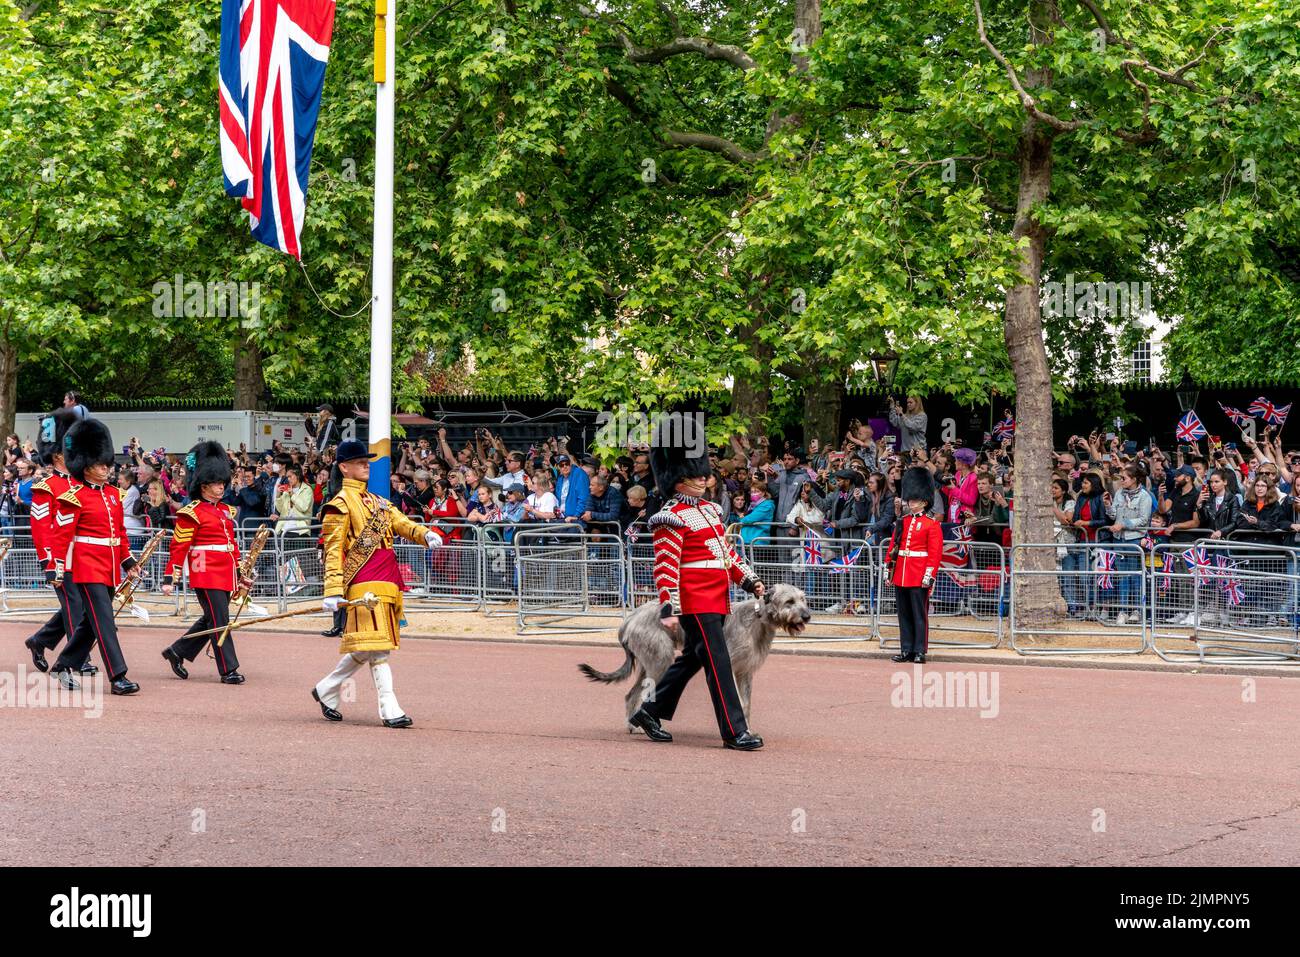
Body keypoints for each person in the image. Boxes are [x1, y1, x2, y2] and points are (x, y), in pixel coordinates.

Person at [626, 428, 766, 751]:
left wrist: (749, 579)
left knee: (692, 659)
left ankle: (648, 711)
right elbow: (666, 568)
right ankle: (734, 730)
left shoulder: (711, 511)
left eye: (704, 474)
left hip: (717, 597)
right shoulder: (669, 518)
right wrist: (668, 608)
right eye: (694, 474)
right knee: (719, 662)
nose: (703, 479)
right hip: (694, 600)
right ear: (677, 477)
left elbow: (726, 555)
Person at [311, 441, 443, 728]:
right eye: (360, 462)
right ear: (344, 467)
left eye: (366, 462)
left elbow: (402, 522)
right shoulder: (339, 505)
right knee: (380, 649)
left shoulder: (379, 502)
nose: (366, 465)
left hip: (388, 581)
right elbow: (333, 551)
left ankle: (326, 689)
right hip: (363, 584)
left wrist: (424, 534)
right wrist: (333, 590)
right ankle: (389, 707)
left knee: (368, 647)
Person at [46, 418, 142, 695]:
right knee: (105, 620)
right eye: (101, 464)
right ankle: (118, 676)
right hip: (86, 565)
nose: (107, 468)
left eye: (107, 463)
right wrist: (56, 567)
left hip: (110, 564)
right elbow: (61, 536)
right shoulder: (73, 496)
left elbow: (119, 532)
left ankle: (63, 665)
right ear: (86, 466)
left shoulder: (113, 495)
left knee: (91, 622)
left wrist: (128, 561)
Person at [159, 442, 252, 684]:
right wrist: (171, 578)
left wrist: (241, 573)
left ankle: (178, 651)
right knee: (220, 620)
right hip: (205, 570)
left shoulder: (224, 511)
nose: (222, 486)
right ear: (203, 485)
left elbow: (232, 545)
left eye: (223, 482)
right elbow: (179, 547)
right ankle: (228, 669)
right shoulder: (192, 512)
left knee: (212, 617)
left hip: (225, 571)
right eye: (216, 483)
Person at [22, 409, 97, 677]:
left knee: (83, 606)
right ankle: (80, 657)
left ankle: (40, 641)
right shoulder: (46, 487)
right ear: (57, 455)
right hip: (60, 557)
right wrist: (49, 561)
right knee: (74, 605)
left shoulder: (82, 484)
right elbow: (41, 528)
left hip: (83, 556)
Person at [885, 467, 943, 664]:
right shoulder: (904, 521)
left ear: (924, 502)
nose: (910, 503)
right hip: (901, 572)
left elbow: (934, 554)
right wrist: (888, 569)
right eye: (909, 499)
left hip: (918, 574)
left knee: (919, 615)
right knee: (904, 614)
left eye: (914, 500)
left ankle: (919, 650)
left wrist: (929, 575)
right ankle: (906, 649)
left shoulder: (931, 524)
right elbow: (894, 546)